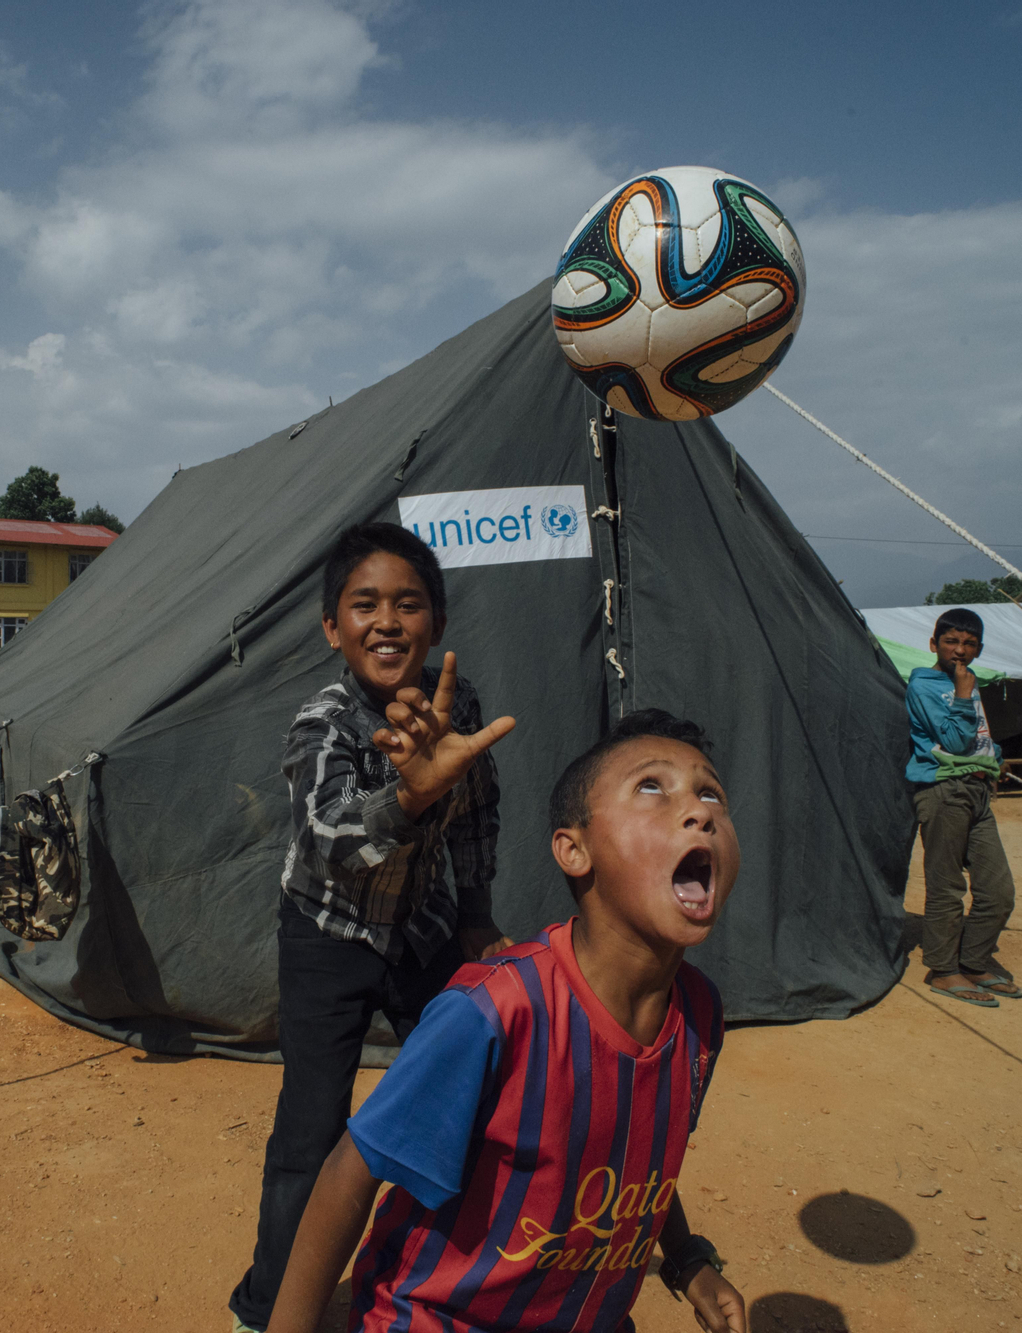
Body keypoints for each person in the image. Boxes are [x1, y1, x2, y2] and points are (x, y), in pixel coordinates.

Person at [264, 710, 744, 1333]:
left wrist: (686, 1260)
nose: (699, 810)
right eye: (652, 788)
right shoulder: (496, 1011)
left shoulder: (700, 1016)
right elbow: (349, 1172)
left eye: (712, 794)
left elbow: (633, 1163)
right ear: (574, 850)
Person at [229, 522, 516, 1332]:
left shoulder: (462, 712)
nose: (387, 620)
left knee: (469, 1097)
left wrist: (475, 910)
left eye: (408, 603)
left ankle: (448, 1282)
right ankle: (270, 1308)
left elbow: (478, 814)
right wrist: (408, 792)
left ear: (439, 623)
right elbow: (329, 837)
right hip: (326, 936)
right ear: (332, 628)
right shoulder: (321, 724)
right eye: (364, 604)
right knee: (313, 1128)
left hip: (419, 932)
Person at [905, 608, 1020, 1008]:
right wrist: (964, 694)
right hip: (942, 791)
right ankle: (943, 968)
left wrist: (994, 758)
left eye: (969, 644)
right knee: (947, 886)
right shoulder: (926, 685)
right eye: (951, 641)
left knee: (998, 891)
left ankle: (972, 960)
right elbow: (952, 743)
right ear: (933, 644)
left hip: (976, 790)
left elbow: (977, 739)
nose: (960, 650)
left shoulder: (966, 682)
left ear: (980, 648)